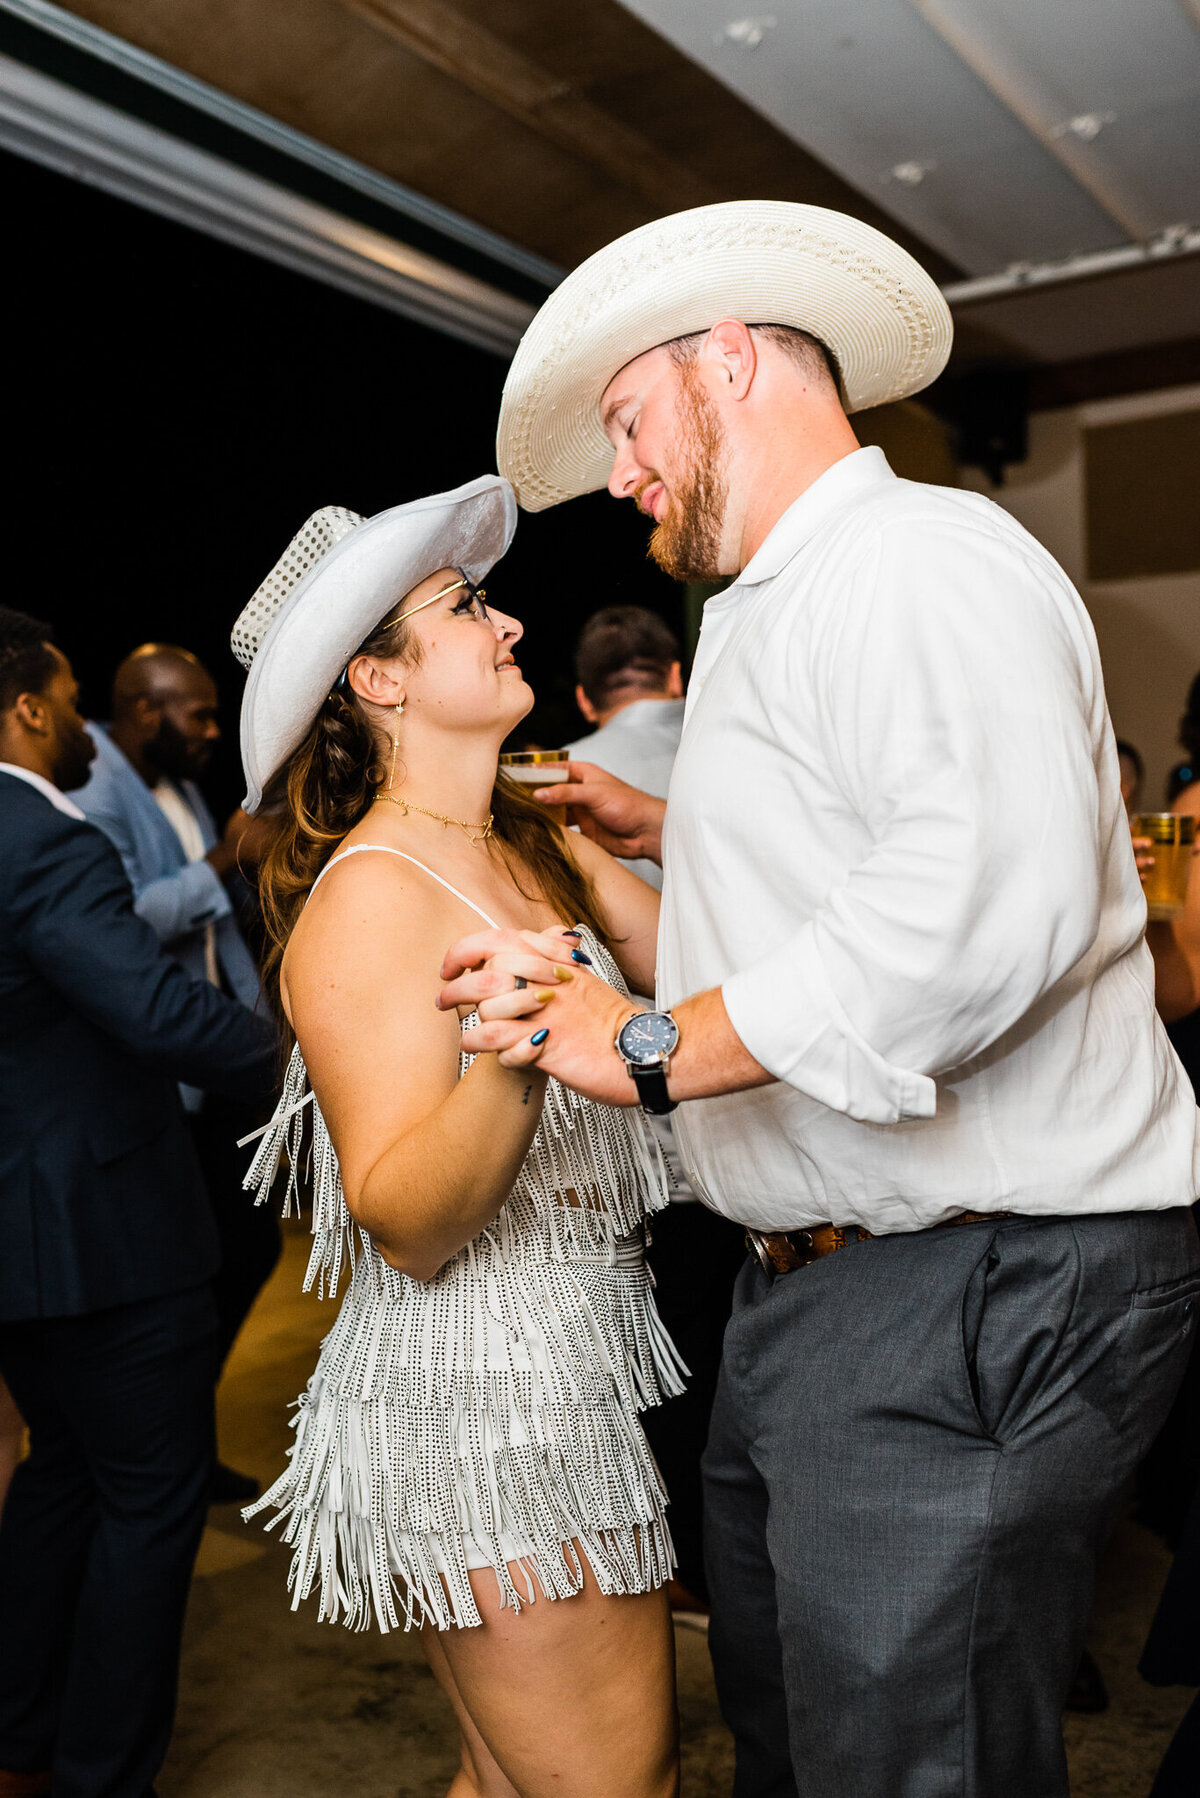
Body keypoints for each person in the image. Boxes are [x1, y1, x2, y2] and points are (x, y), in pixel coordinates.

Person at [436, 200, 1200, 1798]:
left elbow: (974, 911)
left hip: (966, 1275)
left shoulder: (914, 558)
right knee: (804, 1740)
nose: (623, 475)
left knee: (909, 1763)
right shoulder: (777, 606)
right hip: (835, 1288)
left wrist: (643, 1050)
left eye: (631, 425)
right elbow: (825, 910)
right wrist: (662, 858)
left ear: (732, 358)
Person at [235, 479, 684, 1798]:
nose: (511, 624)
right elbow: (400, 1214)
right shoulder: (368, 895)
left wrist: (645, 851)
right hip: (484, 1392)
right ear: (377, 677)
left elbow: (693, 989)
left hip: (569, 1361)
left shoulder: (528, 842)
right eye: (467, 606)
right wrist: (520, 1055)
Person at [0, 607, 275, 1798]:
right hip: (106, 1237)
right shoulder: (44, 841)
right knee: (150, 1506)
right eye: (66, 702)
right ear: (26, 707)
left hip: (24, 1239)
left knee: (61, 1474)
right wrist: (314, 1059)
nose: (82, 727)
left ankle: (17, 1741)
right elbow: (156, 1013)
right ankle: (99, 1777)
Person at [565, 604, 743, 1614]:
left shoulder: (553, 774)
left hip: (629, 1116)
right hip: (766, 1095)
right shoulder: (734, 748)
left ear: (588, 694)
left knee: (668, 1336)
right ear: (676, 673)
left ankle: (681, 1561)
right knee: (741, 1330)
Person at [75, 643, 280, 1503]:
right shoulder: (94, 792)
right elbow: (117, 925)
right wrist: (221, 862)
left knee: (242, 1246)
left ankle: (184, 1438)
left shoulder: (185, 785)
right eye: (195, 714)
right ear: (143, 710)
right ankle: (159, 1450)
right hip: (157, 1075)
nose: (210, 730)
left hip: (216, 1062)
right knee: (191, 1269)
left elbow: (216, 927)